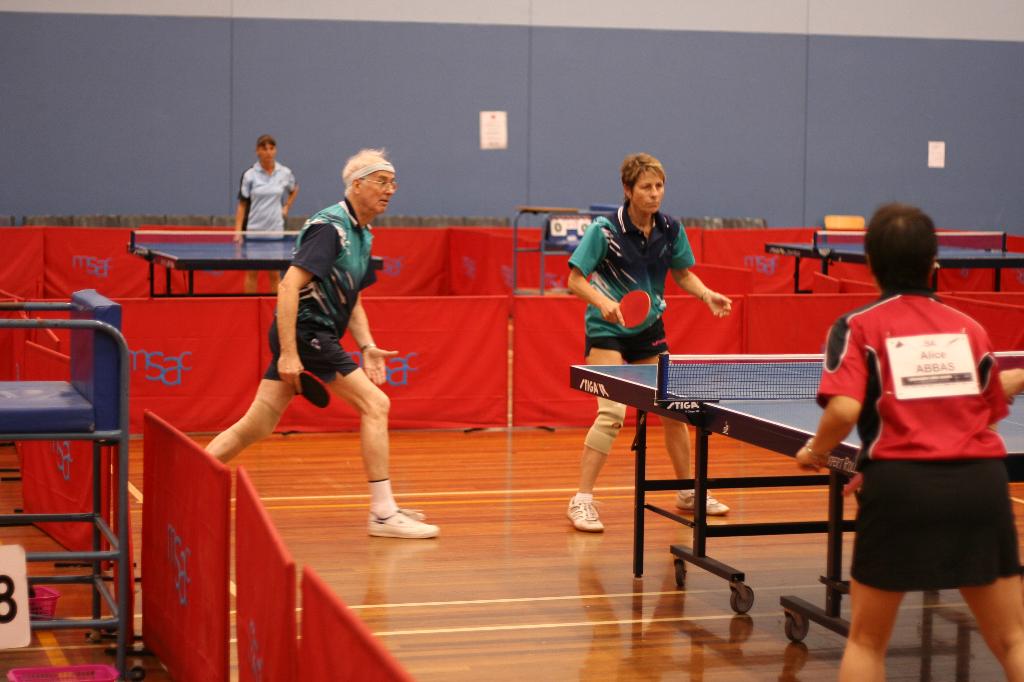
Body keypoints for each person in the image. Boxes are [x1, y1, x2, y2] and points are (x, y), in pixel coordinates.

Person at [795, 203, 1024, 681]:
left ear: (872, 265)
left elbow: (843, 409)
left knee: (866, 641)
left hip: (900, 488)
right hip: (980, 485)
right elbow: (985, 402)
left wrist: (815, 451)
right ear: (934, 265)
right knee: (1013, 639)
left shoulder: (858, 326)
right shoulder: (970, 328)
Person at [208, 148, 439, 540]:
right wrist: (289, 353)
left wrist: (366, 345)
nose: (390, 190)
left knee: (257, 424)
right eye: (381, 182)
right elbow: (287, 287)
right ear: (356, 185)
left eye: (393, 183)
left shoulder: (362, 233)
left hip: (314, 332)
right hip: (305, 330)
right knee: (376, 404)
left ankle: (187, 474)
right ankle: (383, 513)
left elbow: (353, 298)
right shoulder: (329, 228)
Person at [565, 152, 733, 533]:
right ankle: (582, 500)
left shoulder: (671, 229)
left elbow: (683, 274)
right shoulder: (603, 230)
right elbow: (575, 279)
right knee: (611, 415)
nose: (654, 194)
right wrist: (604, 301)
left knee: (674, 409)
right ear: (628, 190)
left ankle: (687, 490)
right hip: (607, 328)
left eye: (659, 186)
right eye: (646, 187)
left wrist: (706, 295)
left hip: (649, 330)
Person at [235, 134, 299, 293]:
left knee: (275, 274)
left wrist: (287, 207)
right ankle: (248, 309)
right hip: (254, 231)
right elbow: (242, 205)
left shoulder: (284, 172)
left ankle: (277, 313)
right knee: (252, 273)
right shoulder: (249, 175)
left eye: (272, 148)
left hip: (276, 231)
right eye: (264, 148)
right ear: (257, 151)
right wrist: (238, 231)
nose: (269, 152)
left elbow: (294, 189)